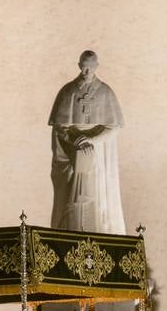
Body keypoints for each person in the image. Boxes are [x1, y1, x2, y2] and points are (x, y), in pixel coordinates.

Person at [49, 50, 125, 234]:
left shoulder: (106, 92)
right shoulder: (68, 92)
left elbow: (113, 126)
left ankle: (98, 235)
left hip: (97, 154)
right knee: (70, 198)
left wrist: (91, 139)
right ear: (79, 66)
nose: (87, 72)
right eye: (84, 67)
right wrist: (75, 140)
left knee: (97, 196)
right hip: (72, 153)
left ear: (97, 67)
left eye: (91, 68)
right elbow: (60, 126)